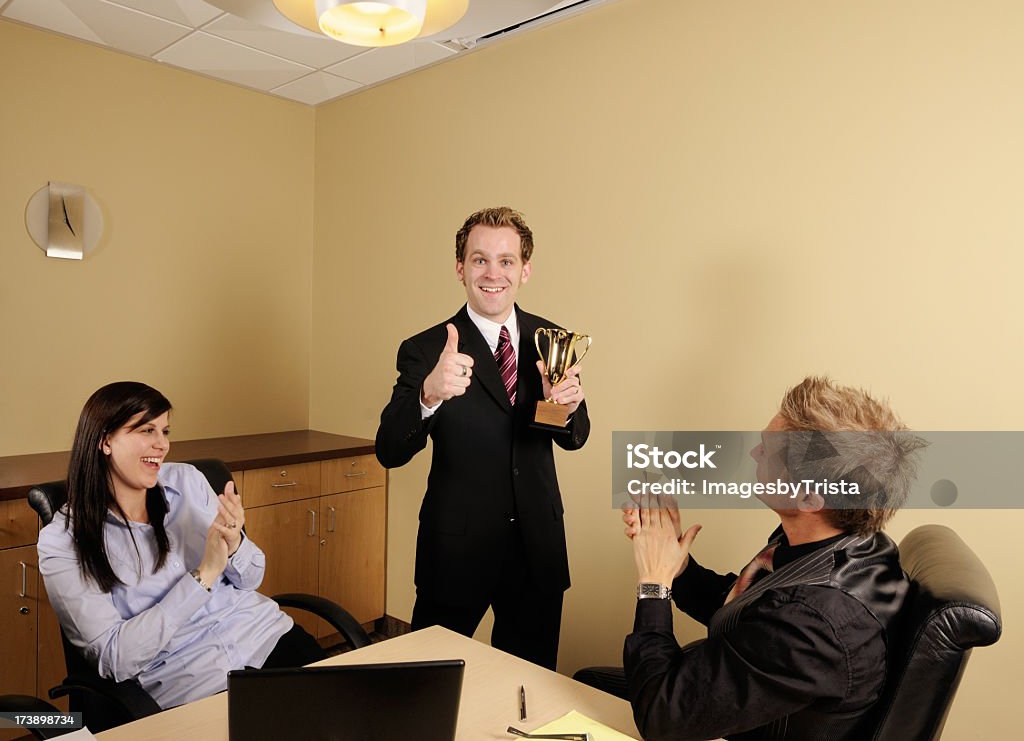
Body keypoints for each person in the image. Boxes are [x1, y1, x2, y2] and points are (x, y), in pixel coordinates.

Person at [577, 376, 926, 741]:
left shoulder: (815, 625)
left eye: (768, 450)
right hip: (743, 689)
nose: (755, 453)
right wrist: (678, 568)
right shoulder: (842, 542)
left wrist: (654, 584)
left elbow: (663, 719)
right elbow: (756, 613)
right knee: (588, 682)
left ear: (808, 499)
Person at [375, 207, 590, 670]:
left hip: (537, 550)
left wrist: (564, 407)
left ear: (525, 269)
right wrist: (428, 394)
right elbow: (389, 449)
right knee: (427, 688)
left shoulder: (551, 339)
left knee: (528, 692)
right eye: (479, 260)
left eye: (506, 261)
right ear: (460, 268)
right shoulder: (426, 348)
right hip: (455, 554)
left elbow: (576, 438)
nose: (493, 273)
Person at [37, 381, 326, 710]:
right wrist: (203, 576)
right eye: (147, 430)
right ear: (105, 440)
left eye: (165, 431)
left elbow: (251, 579)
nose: (162, 445)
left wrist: (234, 546)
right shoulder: (63, 540)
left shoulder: (187, 481)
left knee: (356, 716)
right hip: (194, 681)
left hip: (266, 637)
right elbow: (114, 658)